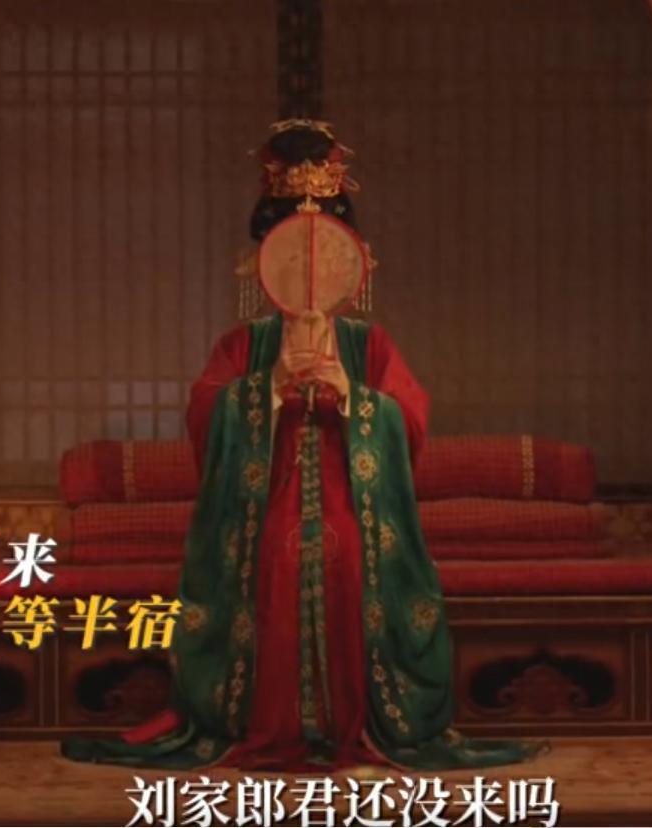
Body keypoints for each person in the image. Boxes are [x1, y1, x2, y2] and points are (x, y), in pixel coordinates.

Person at [62, 121, 540, 771]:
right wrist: (267, 389)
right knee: (272, 572)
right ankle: (268, 724)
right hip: (262, 507)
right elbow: (205, 415)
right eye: (290, 252)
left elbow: (409, 422)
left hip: (353, 506)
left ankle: (352, 723)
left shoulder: (368, 344)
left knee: (349, 572)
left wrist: (352, 397)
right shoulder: (243, 345)